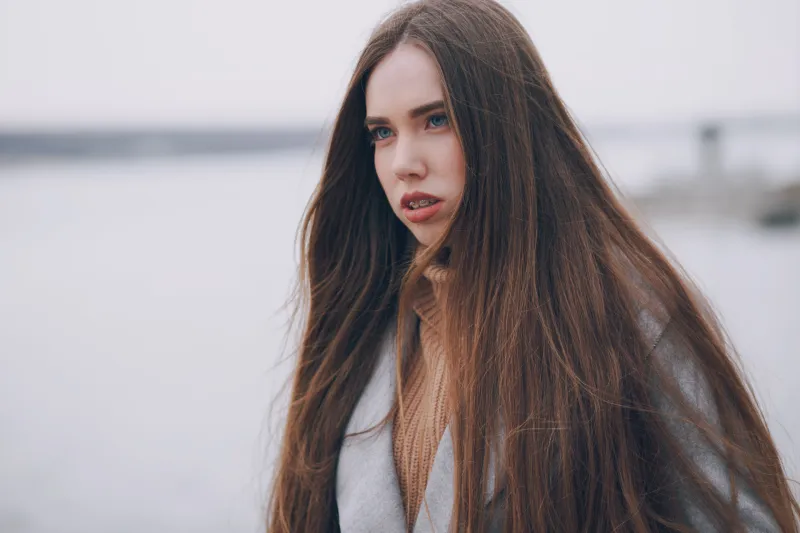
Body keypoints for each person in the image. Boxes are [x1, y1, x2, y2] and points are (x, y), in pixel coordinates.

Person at [267, 1, 800, 531]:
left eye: (436, 120)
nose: (404, 162)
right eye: (381, 133)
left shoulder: (626, 319)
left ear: (507, 127)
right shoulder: (362, 329)